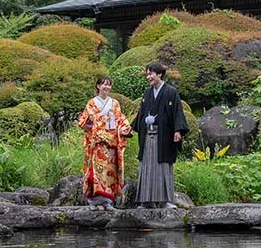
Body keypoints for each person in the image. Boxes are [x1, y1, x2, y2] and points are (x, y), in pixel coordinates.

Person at [133, 62, 189, 209]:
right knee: (146, 166)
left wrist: (178, 131)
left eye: (151, 73)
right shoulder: (147, 93)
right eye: (147, 74)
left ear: (159, 74)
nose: (148, 77)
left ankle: (164, 201)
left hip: (163, 135)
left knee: (163, 165)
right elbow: (141, 113)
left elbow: (177, 112)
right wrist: (131, 127)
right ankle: (146, 201)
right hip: (148, 135)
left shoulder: (171, 92)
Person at [78, 76, 132, 211]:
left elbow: (120, 119)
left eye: (109, 85)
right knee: (95, 173)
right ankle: (94, 201)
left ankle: (107, 201)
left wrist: (125, 129)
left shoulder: (115, 104)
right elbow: (84, 122)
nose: (106, 87)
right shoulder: (91, 103)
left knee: (110, 173)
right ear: (98, 86)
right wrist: (90, 122)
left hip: (111, 144)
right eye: (103, 85)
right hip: (97, 144)